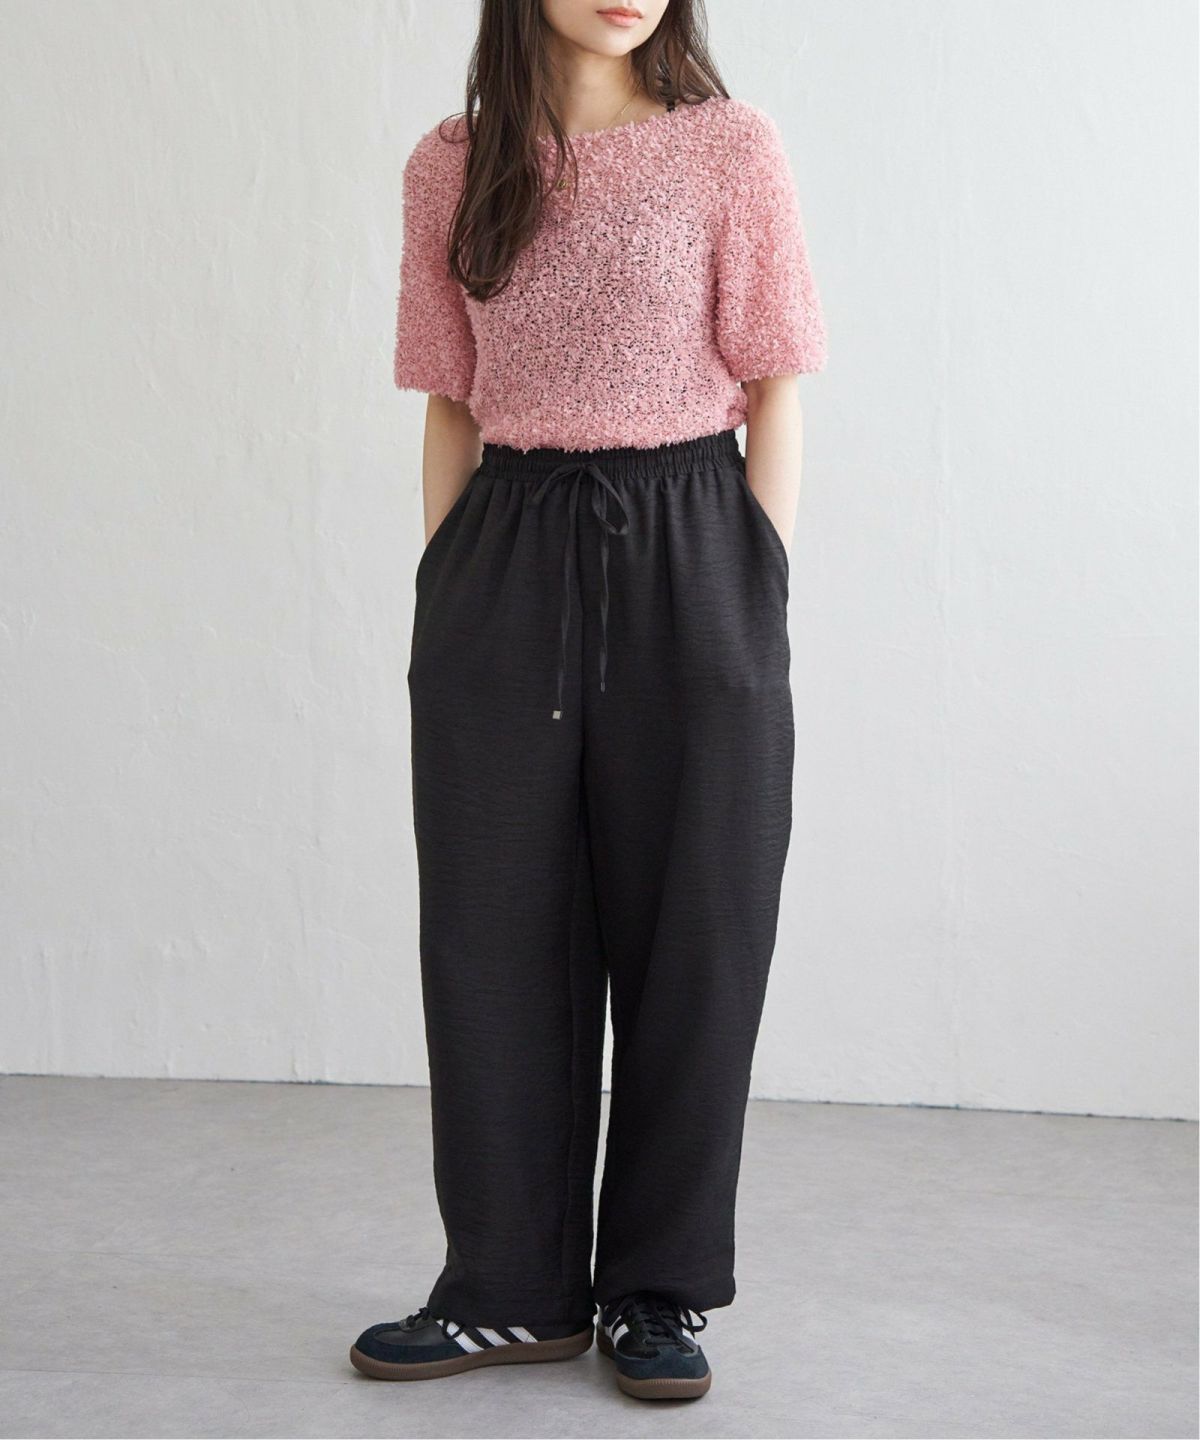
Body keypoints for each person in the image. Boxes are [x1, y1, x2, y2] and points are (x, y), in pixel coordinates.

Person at [350, 0, 827, 1403]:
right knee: (493, 927)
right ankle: (509, 1290)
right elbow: (448, 398)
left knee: (699, 928)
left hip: (694, 538)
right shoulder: (453, 164)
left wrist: (755, 578)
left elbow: (777, 381)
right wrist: (447, 583)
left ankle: (659, 1293)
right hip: (506, 547)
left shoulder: (728, 147)